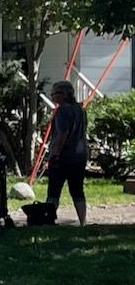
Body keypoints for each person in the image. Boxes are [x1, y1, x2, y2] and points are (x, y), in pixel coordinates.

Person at [46, 81, 88, 226]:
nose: (52, 96)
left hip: (64, 156)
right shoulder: (80, 109)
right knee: (77, 191)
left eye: (54, 93)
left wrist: (55, 154)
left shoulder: (62, 111)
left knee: (54, 191)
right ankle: (83, 222)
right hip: (80, 155)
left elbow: (62, 134)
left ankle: (48, 221)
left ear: (64, 94)